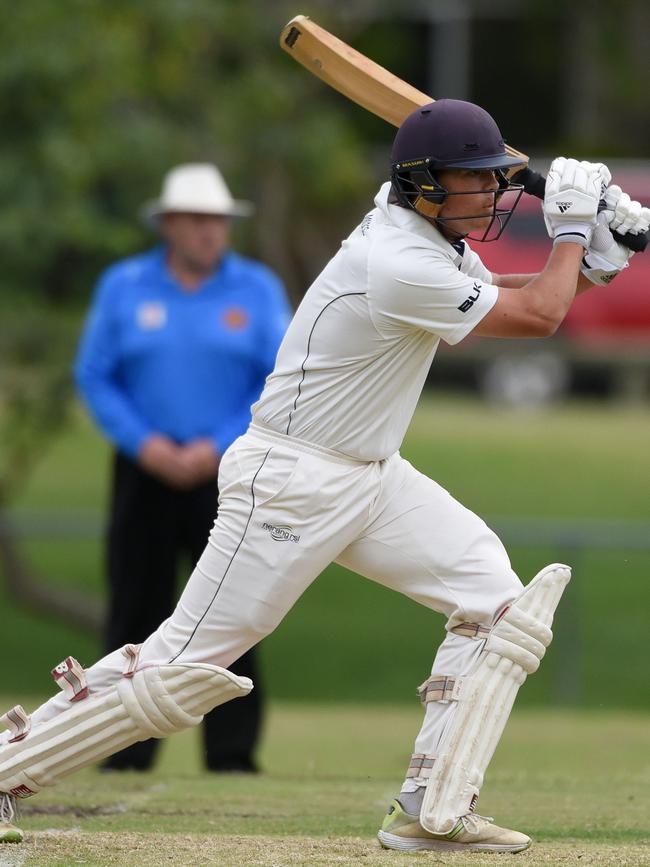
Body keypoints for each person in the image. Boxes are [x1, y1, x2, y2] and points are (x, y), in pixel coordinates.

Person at [1, 101, 648, 851]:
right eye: (475, 181)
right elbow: (536, 317)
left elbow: (521, 297)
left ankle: (432, 808)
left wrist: (595, 258)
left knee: (498, 602)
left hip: (371, 475)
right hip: (292, 479)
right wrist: (572, 229)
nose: (493, 196)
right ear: (425, 185)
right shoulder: (397, 261)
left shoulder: (429, 236)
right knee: (183, 668)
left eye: (493, 180)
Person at [73, 163, 291, 773]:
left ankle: (231, 754)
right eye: (197, 220)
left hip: (227, 469)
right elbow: (96, 374)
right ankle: (120, 749)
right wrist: (144, 443)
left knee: (231, 610)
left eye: (218, 221)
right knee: (135, 609)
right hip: (144, 469)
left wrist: (217, 443)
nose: (209, 232)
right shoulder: (125, 285)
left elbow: (275, 377)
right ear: (169, 224)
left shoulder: (256, 290)